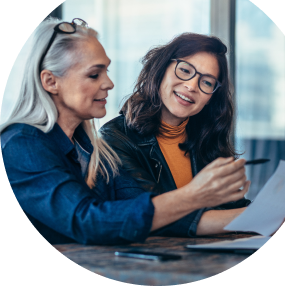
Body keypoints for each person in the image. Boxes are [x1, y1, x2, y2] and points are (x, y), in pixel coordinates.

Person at [0, 18, 252, 246]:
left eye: (106, 71)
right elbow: (89, 221)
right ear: (50, 81)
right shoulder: (21, 144)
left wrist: (261, 217)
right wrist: (194, 195)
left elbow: (138, 208)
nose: (109, 83)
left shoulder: (91, 148)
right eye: (94, 74)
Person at [99, 33, 252, 212]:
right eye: (185, 71)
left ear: (211, 97)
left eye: (207, 82)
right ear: (162, 69)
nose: (192, 86)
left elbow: (232, 206)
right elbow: (151, 215)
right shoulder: (115, 138)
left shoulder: (208, 140)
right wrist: (248, 218)